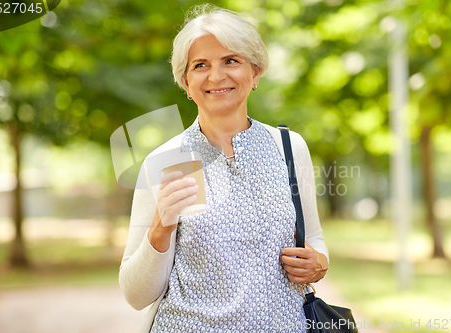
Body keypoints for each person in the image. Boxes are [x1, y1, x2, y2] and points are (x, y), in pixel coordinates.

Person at [119, 4, 329, 333]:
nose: (216, 76)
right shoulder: (169, 160)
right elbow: (135, 295)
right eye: (201, 65)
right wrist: (160, 229)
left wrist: (319, 263)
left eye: (230, 60)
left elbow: (313, 238)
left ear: (255, 72)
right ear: (186, 83)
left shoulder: (288, 147)